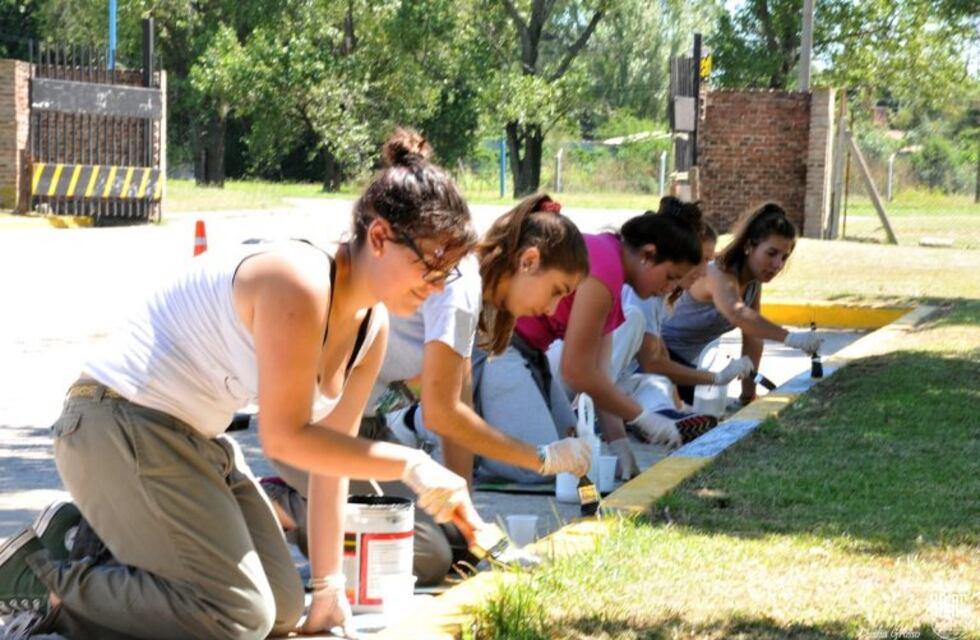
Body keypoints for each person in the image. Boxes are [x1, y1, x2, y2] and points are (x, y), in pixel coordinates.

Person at [0, 128, 487, 640]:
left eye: (448, 274)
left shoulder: (373, 326)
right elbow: (284, 439)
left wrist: (328, 589)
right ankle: (38, 581)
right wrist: (411, 463)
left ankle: (94, 541)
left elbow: (331, 460)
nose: (437, 287)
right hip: (114, 423)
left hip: (193, 441)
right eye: (431, 266)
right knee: (235, 617)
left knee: (281, 609)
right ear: (381, 237)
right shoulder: (299, 280)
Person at [262, 193, 593, 586]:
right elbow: (441, 414)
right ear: (529, 261)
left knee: (457, 545)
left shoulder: (474, 293)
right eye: (556, 291)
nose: (553, 310)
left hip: (366, 425)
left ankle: (317, 505)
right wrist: (541, 458)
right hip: (317, 431)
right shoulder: (461, 287)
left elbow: (459, 409)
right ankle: (279, 504)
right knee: (425, 555)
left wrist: (465, 511)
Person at [476, 203, 707, 483]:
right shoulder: (606, 268)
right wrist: (643, 417)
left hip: (532, 356)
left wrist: (620, 444)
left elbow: (600, 378)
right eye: (670, 277)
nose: (669, 289)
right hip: (502, 348)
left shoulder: (613, 272)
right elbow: (576, 372)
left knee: (576, 459)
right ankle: (470, 449)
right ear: (647, 255)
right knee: (544, 468)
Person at [611, 199, 753, 442]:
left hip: (624, 379)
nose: (705, 270)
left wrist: (677, 401)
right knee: (652, 382)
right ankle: (648, 419)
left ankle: (668, 416)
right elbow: (651, 361)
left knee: (657, 385)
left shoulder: (661, 293)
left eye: (710, 260)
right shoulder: (645, 292)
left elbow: (659, 351)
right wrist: (715, 377)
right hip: (605, 379)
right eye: (702, 259)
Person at [661, 202, 823, 407]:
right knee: (706, 407)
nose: (778, 265)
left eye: (784, 257)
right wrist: (791, 338)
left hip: (685, 366)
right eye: (771, 253)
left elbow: (752, 336)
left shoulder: (753, 281)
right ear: (748, 247)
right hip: (655, 356)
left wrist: (748, 397)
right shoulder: (718, 272)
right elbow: (737, 314)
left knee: (709, 403)